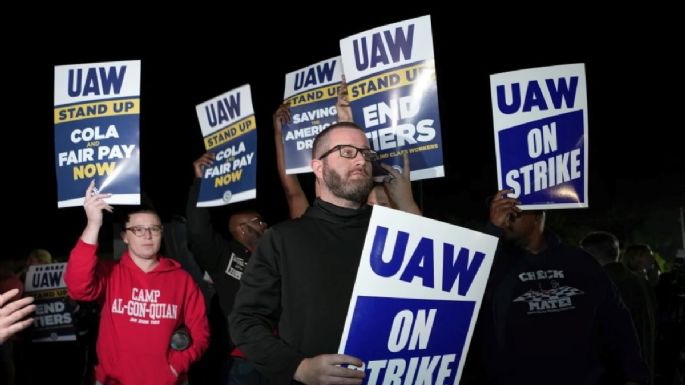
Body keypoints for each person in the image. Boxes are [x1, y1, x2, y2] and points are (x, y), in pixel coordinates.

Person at [230, 122, 421, 385]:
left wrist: (409, 205)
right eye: (346, 151)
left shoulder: (393, 232)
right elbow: (245, 321)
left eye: (365, 153)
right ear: (318, 168)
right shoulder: (283, 240)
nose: (360, 160)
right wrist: (298, 367)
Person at [469, 190, 649, 385]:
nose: (506, 220)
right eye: (501, 213)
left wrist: (635, 375)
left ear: (537, 215)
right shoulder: (496, 265)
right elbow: (467, 283)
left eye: (513, 213)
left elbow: (617, 321)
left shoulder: (580, 262)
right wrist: (492, 230)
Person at [65, 181, 209, 385]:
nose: (148, 236)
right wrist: (93, 224)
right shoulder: (111, 273)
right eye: (138, 229)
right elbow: (78, 287)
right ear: (125, 236)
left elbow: (200, 333)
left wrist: (176, 367)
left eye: (154, 229)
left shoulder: (182, 279)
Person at [187, 152, 270, 385]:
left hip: (280, 357)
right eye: (259, 222)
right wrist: (199, 183)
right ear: (242, 230)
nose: (265, 226)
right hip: (244, 362)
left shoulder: (274, 257)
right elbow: (198, 230)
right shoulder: (224, 257)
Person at [273, 102, 420, 219]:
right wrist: (281, 134)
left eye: (383, 204)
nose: (375, 210)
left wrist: (408, 204)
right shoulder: (315, 228)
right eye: (371, 205)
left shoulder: (398, 237)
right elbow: (294, 194)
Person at [581, 231, 656, 384]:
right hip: (643, 366)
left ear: (589, 255)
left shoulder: (601, 285)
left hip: (616, 373)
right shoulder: (639, 281)